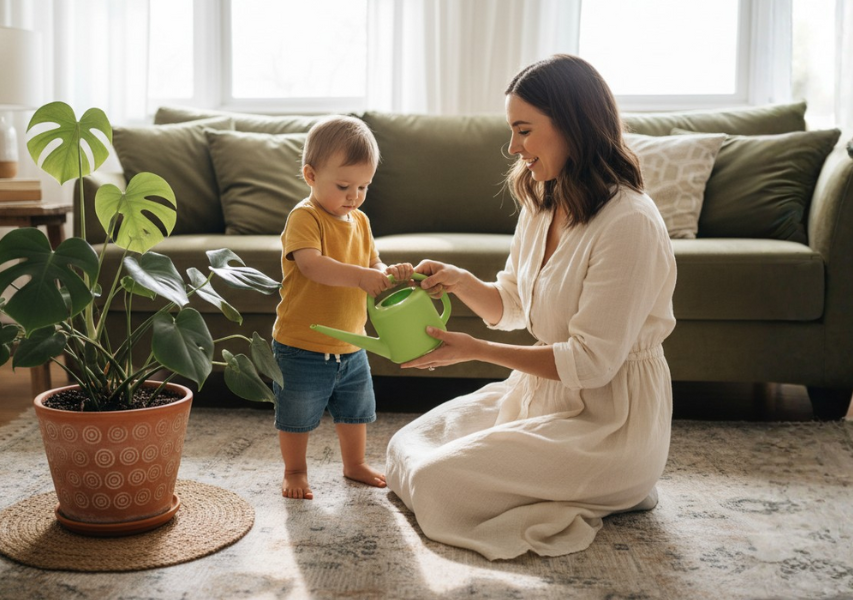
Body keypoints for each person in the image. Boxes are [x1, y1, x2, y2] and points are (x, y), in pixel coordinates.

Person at [384, 54, 677, 559]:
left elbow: (591, 363)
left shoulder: (629, 222)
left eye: (524, 130)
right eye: (512, 131)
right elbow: (515, 304)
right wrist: (459, 282)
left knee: (434, 483)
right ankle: (573, 485)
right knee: (403, 449)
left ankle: (618, 484)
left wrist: (476, 350)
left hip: (609, 423)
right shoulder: (544, 198)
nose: (513, 147)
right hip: (540, 395)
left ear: (573, 124)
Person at [272, 115, 414, 500]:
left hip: (353, 343)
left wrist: (387, 273)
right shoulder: (305, 217)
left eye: (363, 186)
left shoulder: (361, 221)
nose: (354, 196)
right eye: (343, 186)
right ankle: (295, 470)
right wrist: (361, 277)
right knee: (297, 415)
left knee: (356, 411)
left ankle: (354, 464)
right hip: (302, 343)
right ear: (311, 175)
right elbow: (312, 265)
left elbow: (372, 264)